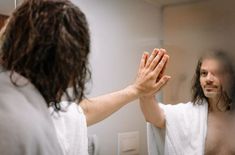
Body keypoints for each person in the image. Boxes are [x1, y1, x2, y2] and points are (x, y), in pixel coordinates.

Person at [0, 0, 170, 154]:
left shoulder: (25, 102)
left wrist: (137, 89)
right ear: (70, 65)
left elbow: (82, 112)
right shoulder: (20, 128)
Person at [140, 50, 235, 155]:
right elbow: (154, 117)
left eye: (216, 73)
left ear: (229, 77)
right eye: (204, 73)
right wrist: (145, 94)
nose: (208, 79)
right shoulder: (189, 115)